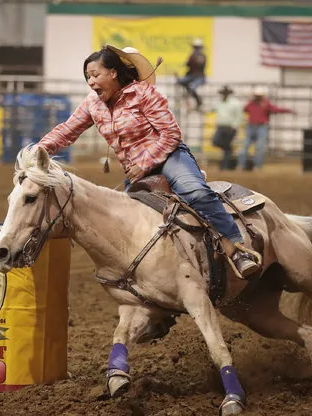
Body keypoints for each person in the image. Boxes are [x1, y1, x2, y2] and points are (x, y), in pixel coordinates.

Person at [34, 45, 260, 278]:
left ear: (113, 73)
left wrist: (144, 163)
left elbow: (171, 134)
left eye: (95, 75)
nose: (90, 82)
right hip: (137, 171)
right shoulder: (93, 103)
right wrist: (38, 150)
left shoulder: (143, 94)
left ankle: (238, 248)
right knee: (129, 221)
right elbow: (67, 130)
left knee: (196, 193)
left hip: (169, 157)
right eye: (87, 77)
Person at [238, 86, 295, 171]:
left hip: (260, 126)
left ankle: (256, 166)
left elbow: (276, 110)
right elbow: (245, 109)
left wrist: (288, 111)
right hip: (252, 126)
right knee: (246, 146)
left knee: (258, 147)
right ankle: (242, 166)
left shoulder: (264, 104)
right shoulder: (252, 103)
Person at [211, 86, 242, 170]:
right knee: (215, 142)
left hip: (230, 127)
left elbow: (238, 116)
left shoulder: (235, 103)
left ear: (229, 94)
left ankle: (224, 166)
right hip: (221, 126)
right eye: (223, 93)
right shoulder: (219, 103)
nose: (224, 95)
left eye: (225, 93)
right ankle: (228, 151)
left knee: (222, 144)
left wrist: (234, 126)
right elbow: (211, 109)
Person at [176, 38, 206, 111]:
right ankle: (187, 93)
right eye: (195, 47)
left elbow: (201, 65)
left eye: (197, 47)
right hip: (191, 76)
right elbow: (188, 65)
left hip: (200, 77)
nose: (196, 49)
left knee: (192, 87)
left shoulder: (202, 56)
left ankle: (199, 101)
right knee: (179, 81)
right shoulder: (192, 56)